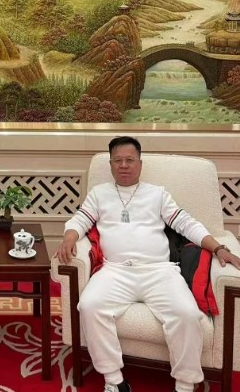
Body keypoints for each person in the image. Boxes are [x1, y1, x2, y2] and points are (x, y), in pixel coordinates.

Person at [56, 136, 240, 392]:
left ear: (140, 164)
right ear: (110, 165)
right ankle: (114, 380)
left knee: (187, 314)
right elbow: (80, 220)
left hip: (159, 272)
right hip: (115, 271)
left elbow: (186, 224)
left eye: (130, 160)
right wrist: (69, 237)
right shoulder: (99, 194)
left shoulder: (157, 194)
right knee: (89, 305)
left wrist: (218, 247)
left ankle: (185, 385)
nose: (124, 165)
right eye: (117, 160)